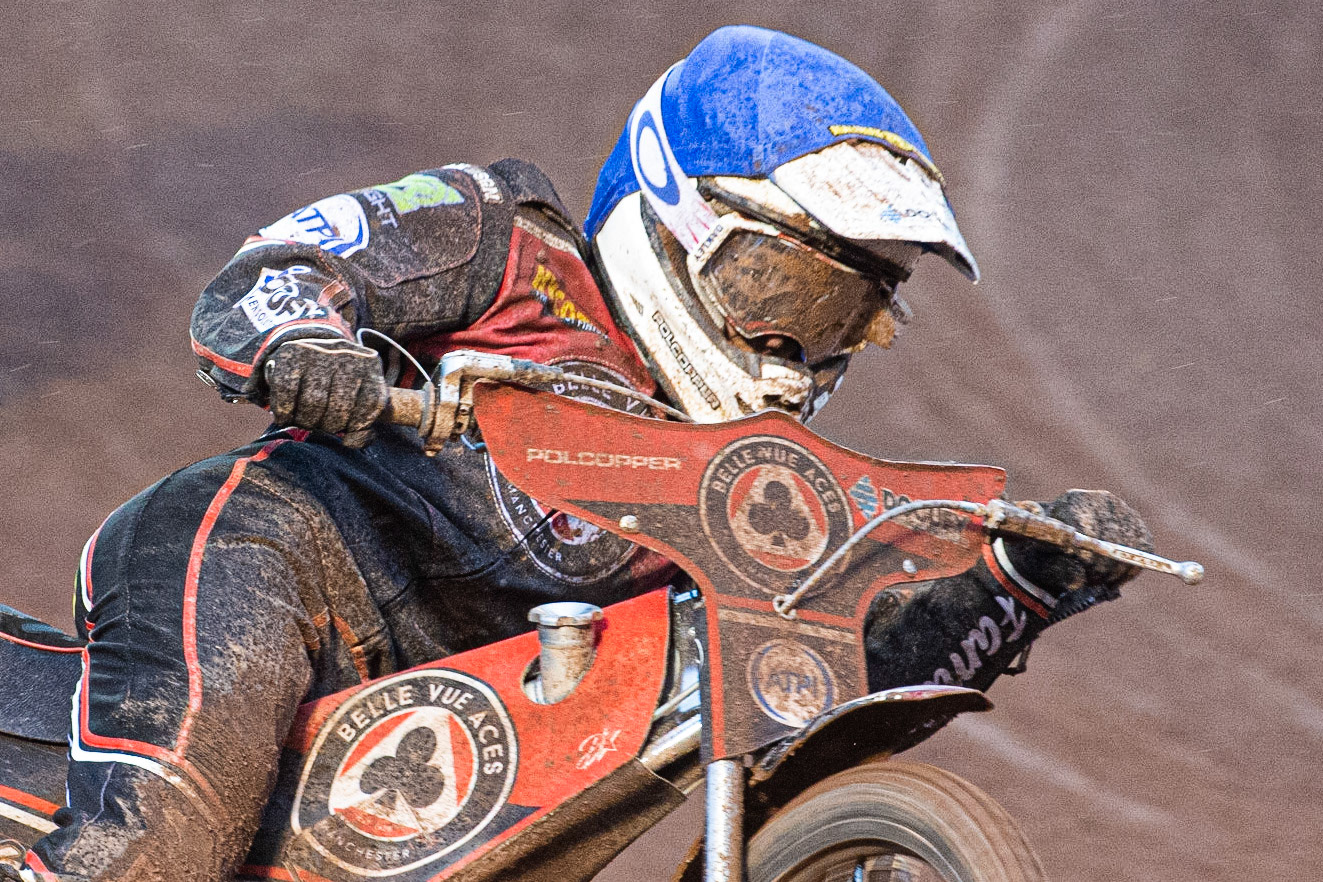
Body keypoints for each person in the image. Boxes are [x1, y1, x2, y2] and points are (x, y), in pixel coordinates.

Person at [6, 25, 1150, 882]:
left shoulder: (755, 491)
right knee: (162, 842)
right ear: (675, 216)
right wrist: (307, 344)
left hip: (470, 706)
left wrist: (1013, 584)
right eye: (780, 284)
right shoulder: (508, 245)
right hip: (273, 557)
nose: (791, 343)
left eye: (842, 311)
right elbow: (280, 267)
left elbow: (817, 699)